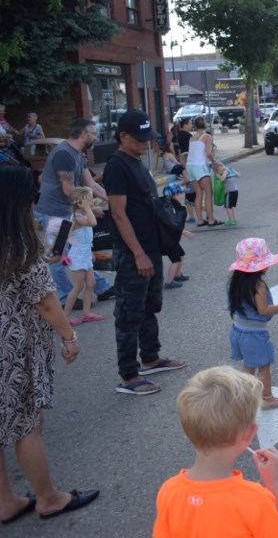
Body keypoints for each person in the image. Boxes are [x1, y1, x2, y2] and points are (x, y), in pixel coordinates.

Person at [0, 163, 100, 523]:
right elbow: (44, 299)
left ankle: (6, 501)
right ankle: (48, 498)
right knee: (27, 423)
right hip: (12, 346)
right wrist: (69, 336)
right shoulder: (20, 240)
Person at [152, 366, 278, 538]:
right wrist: (273, 485)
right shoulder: (254, 500)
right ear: (249, 434)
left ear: (185, 427)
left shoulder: (169, 492)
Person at [103, 110, 186, 395]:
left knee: (150, 307)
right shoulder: (116, 165)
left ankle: (150, 358)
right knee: (129, 314)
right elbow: (118, 213)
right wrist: (137, 253)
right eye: (139, 139)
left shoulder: (136, 161)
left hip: (150, 248)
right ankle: (129, 375)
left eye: (147, 138)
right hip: (132, 253)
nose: (145, 143)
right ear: (123, 136)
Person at [33, 118, 115, 307]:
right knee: (58, 254)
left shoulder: (79, 155)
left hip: (65, 212)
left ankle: (102, 288)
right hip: (54, 214)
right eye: (94, 133)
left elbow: (91, 183)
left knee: (77, 252)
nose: (96, 137)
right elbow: (69, 190)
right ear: (84, 134)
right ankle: (63, 298)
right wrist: (86, 208)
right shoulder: (64, 154)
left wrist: (113, 201)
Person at [226, 238, 278, 411]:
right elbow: (263, 310)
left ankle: (241, 398)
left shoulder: (236, 282)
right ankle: (267, 398)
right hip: (254, 335)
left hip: (238, 330)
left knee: (249, 366)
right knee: (263, 367)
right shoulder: (258, 285)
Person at [61, 187, 104, 325]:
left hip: (85, 253)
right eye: (89, 200)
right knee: (78, 286)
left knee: (91, 283)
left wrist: (90, 252)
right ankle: (65, 317)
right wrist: (87, 209)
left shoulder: (83, 215)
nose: (91, 202)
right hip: (78, 256)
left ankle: (86, 313)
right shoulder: (77, 218)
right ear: (80, 203)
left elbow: (85, 238)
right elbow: (93, 222)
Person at [186, 116, 220, 226]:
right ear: (205, 125)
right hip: (199, 166)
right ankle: (211, 220)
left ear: (195, 126)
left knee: (198, 193)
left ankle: (200, 220)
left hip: (190, 166)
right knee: (208, 194)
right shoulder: (207, 137)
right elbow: (208, 153)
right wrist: (215, 162)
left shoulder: (192, 138)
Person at [161, 183, 194, 290]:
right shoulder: (169, 208)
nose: (182, 196)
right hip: (167, 239)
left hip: (170, 238)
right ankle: (169, 282)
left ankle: (178, 275)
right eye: (180, 194)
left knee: (180, 255)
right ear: (174, 195)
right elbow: (172, 225)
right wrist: (185, 232)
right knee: (176, 260)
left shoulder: (169, 205)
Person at [211, 160, 240, 225]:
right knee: (230, 206)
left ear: (220, 168)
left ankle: (231, 220)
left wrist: (217, 175)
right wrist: (233, 172)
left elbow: (222, 179)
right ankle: (232, 219)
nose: (219, 173)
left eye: (218, 171)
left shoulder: (225, 171)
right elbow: (239, 175)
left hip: (229, 192)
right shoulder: (231, 170)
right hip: (235, 191)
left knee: (227, 207)